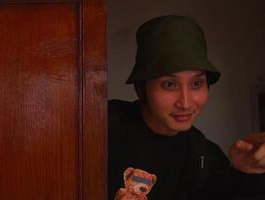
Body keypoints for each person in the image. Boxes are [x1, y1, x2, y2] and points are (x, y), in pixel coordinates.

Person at [108, 15, 265, 200]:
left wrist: (246, 172)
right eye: (169, 84)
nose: (186, 103)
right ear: (141, 88)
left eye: (196, 83)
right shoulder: (104, 126)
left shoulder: (206, 157)